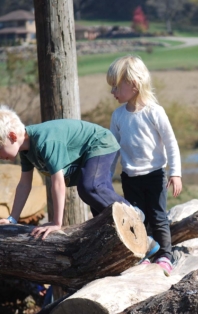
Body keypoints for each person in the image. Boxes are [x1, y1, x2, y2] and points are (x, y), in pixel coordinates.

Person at [0, 105, 143, 239]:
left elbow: (58, 183)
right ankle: (143, 241)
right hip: (88, 152)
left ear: (12, 136)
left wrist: (56, 223)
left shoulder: (45, 142)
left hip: (100, 143)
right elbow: (24, 185)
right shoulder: (25, 151)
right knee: (100, 213)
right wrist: (12, 218)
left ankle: (133, 213)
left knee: (90, 188)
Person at [106, 55, 182, 276]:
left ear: (134, 85)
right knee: (137, 218)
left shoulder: (154, 112)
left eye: (116, 87)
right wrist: (106, 179)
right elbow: (113, 150)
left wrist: (175, 173)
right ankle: (143, 255)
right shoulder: (118, 116)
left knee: (158, 217)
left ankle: (165, 256)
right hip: (130, 177)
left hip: (155, 175)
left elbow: (171, 143)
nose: (113, 92)